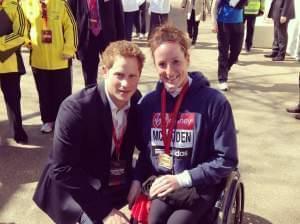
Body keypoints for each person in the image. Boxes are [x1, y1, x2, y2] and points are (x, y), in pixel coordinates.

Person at [127, 24, 238, 224]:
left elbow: (226, 159)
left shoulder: (214, 103)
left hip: (199, 185)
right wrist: (136, 180)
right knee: (154, 219)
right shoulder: (148, 104)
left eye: (176, 61)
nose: (169, 71)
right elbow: (146, 152)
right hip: (163, 184)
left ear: (187, 59)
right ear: (154, 65)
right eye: (162, 64)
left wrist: (182, 179)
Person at [33, 40, 145, 224]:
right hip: (75, 186)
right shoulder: (76, 108)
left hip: (114, 176)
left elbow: (146, 147)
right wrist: (105, 212)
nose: (126, 84)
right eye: (119, 75)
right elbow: (62, 169)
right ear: (104, 71)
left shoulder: (137, 99)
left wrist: (138, 180)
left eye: (133, 76)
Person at [21, 0, 78, 134]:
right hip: (38, 59)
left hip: (60, 59)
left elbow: (71, 26)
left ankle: (64, 121)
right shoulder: (26, 4)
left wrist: (69, 49)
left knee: (62, 94)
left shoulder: (61, 3)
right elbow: (22, 26)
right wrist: (26, 40)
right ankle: (47, 120)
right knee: (44, 93)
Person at [68, 0, 125, 86]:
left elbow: (119, 14)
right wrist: (73, 44)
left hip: (108, 37)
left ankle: (111, 94)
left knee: (113, 69)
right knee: (89, 74)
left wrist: (121, 42)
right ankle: (91, 95)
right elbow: (70, 17)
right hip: (86, 37)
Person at [0, 0, 28, 143]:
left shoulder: (14, 7)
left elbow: (21, 33)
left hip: (9, 65)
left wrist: (0, 44)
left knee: (13, 100)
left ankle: (18, 129)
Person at [211, 0, 247, 91]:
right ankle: (222, 79)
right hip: (224, 23)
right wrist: (213, 22)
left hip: (239, 23)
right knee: (223, 52)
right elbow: (215, 5)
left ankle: (225, 69)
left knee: (236, 51)